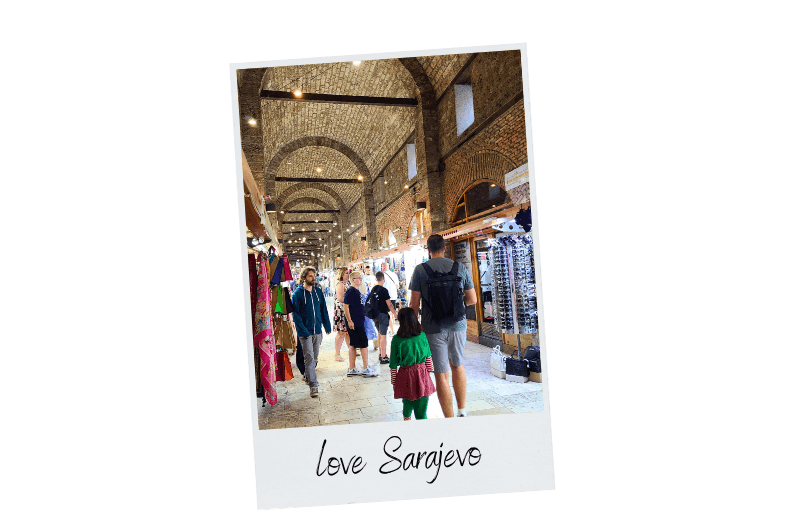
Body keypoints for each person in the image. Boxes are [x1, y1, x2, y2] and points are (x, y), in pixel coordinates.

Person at [408, 234, 477, 418]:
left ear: (428, 250)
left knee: (441, 374)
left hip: (432, 328)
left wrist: (412, 330)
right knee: (458, 365)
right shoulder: (459, 267)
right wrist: (455, 305)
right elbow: (472, 299)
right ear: (444, 248)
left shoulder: (420, 270)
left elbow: (414, 306)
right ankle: (462, 410)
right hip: (458, 325)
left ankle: (449, 419)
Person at [291, 267, 332, 398]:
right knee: (309, 358)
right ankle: (313, 386)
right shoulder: (297, 294)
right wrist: (302, 330)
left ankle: (309, 376)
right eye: (310, 276)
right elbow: (295, 314)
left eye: (314, 276)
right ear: (304, 278)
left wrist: (327, 325)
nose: (313, 278)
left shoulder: (318, 292)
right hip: (305, 332)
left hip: (317, 331)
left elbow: (323, 309)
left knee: (314, 358)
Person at [390, 307, 436, 420]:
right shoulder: (422, 336)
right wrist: (428, 374)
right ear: (415, 319)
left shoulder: (396, 339)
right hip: (421, 374)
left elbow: (393, 364)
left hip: (405, 375)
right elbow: (428, 358)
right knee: (422, 406)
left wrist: (394, 382)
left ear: (400, 321)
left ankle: (407, 419)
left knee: (407, 401)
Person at [343, 271, 378, 377]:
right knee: (363, 344)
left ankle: (352, 368)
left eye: (361, 278)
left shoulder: (356, 291)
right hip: (355, 321)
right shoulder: (351, 291)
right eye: (359, 278)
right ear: (353, 280)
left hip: (357, 320)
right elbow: (345, 306)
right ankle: (365, 368)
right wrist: (350, 321)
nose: (361, 280)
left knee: (353, 344)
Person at [371, 271, 397, 364]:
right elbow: (389, 304)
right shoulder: (384, 290)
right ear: (383, 279)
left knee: (379, 334)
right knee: (383, 335)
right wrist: (394, 313)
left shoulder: (373, 289)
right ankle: (383, 356)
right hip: (382, 315)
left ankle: (380, 353)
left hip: (374, 315)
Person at [332, 268, 351, 363]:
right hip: (341, 311)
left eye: (348, 273)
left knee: (347, 332)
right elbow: (340, 298)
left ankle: (351, 350)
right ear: (342, 274)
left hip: (346, 309)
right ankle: (337, 354)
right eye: (346, 273)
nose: (348, 275)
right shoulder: (340, 284)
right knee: (341, 333)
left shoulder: (347, 283)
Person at [358, 277, 379, 351]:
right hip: (367, 308)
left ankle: (361, 343)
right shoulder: (365, 284)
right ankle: (374, 338)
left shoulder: (355, 286)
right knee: (369, 324)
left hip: (358, 308)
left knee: (361, 326)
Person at [381, 262, 400, 334]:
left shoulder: (382, 275)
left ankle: (392, 330)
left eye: (383, 266)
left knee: (388, 314)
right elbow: (397, 286)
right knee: (391, 313)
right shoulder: (394, 274)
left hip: (386, 297)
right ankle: (392, 329)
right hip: (393, 296)